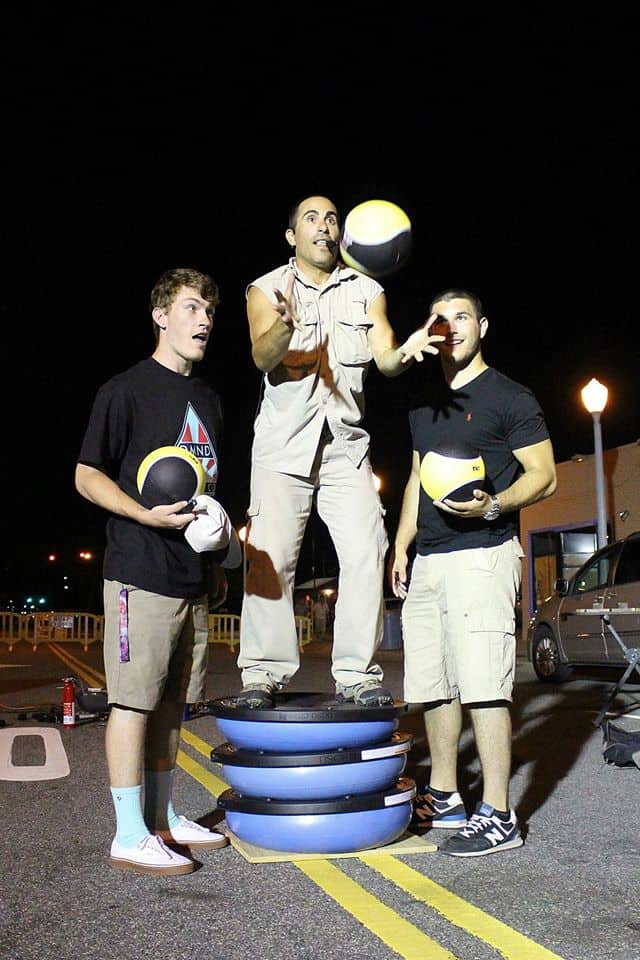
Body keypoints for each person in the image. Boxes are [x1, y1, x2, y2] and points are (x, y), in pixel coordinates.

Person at [237, 195, 444, 708]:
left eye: (332, 218)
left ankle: (356, 673)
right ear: (292, 236)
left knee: (366, 548)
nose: (324, 226)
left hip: (344, 447)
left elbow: (387, 357)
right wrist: (285, 325)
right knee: (270, 560)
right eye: (311, 218)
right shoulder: (265, 289)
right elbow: (262, 355)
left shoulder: (368, 291)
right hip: (282, 448)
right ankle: (263, 673)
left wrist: (406, 352)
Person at [75, 267, 235, 876]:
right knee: (134, 703)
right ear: (161, 316)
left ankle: (163, 819)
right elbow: (87, 473)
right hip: (140, 571)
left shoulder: (212, 401)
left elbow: (210, 491)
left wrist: (217, 562)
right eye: (192, 308)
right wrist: (143, 513)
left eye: (210, 311)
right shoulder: (125, 390)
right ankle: (127, 832)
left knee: (173, 707)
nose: (204, 321)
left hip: (192, 575)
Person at [391, 287, 556, 857]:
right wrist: (401, 545)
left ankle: (499, 813)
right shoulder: (423, 401)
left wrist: (494, 505)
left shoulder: (509, 397)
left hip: (483, 551)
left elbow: (544, 474)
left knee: (484, 685)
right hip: (430, 559)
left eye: (463, 316)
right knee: (434, 685)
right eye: (442, 318)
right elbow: (416, 477)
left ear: (482, 326)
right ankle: (444, 796)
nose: (453, 326)